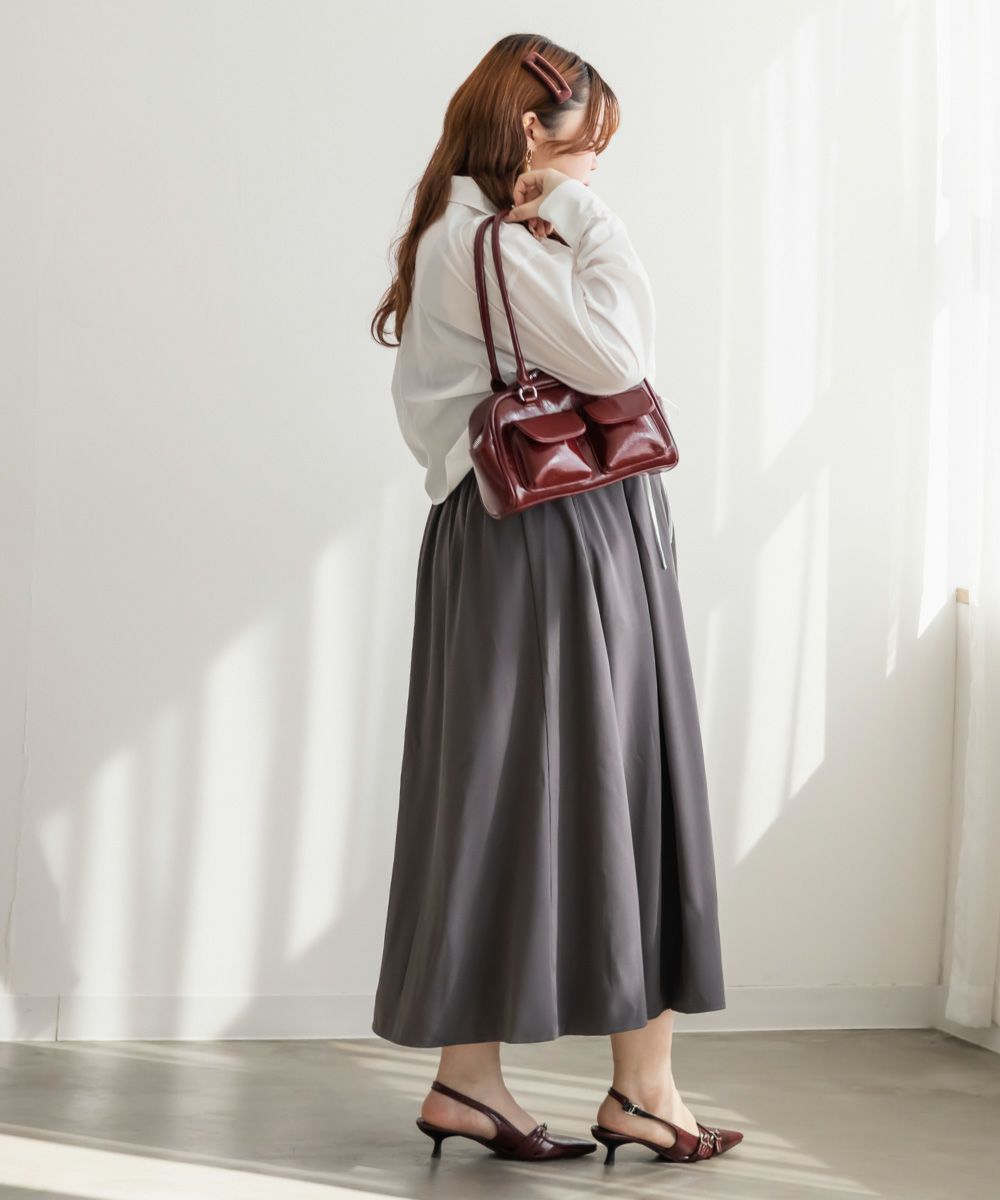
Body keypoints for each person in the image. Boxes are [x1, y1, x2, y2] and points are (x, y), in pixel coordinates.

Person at [368, 33, 743, 1166]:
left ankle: (480, 1081)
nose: (594, 171)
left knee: (511, 790)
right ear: (534, 133)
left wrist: (563, 217)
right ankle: (638, 1090)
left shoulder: (466, 234)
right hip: (551, 534)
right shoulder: (489, 240)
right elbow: (620, 360)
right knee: (614, 781)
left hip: (526, 534)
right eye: (589, 148)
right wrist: (582, 216)